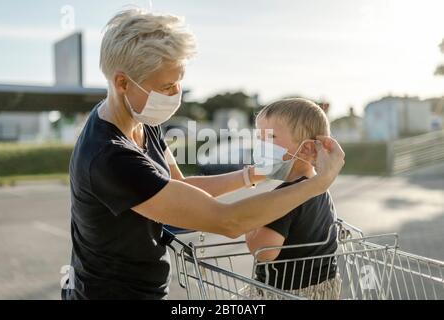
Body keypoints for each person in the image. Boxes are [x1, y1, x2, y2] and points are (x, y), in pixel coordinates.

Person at [64, 9, 345, 300]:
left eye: (179, 81)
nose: (177, 93)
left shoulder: (142, 121)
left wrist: (252, 174)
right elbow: (226, 221)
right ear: (123, 83)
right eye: (166, 86)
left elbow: (177, 188)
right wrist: (316, 184)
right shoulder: (109, 158)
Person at [245, 98, 342, 299]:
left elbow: (263, 251)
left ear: (306, 149)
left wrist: (249, 223)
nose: (260, 145)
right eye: (259, 138)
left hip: (284, 293)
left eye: (269, 137)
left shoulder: (284, 198)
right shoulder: (319, 189)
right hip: (322, 290)